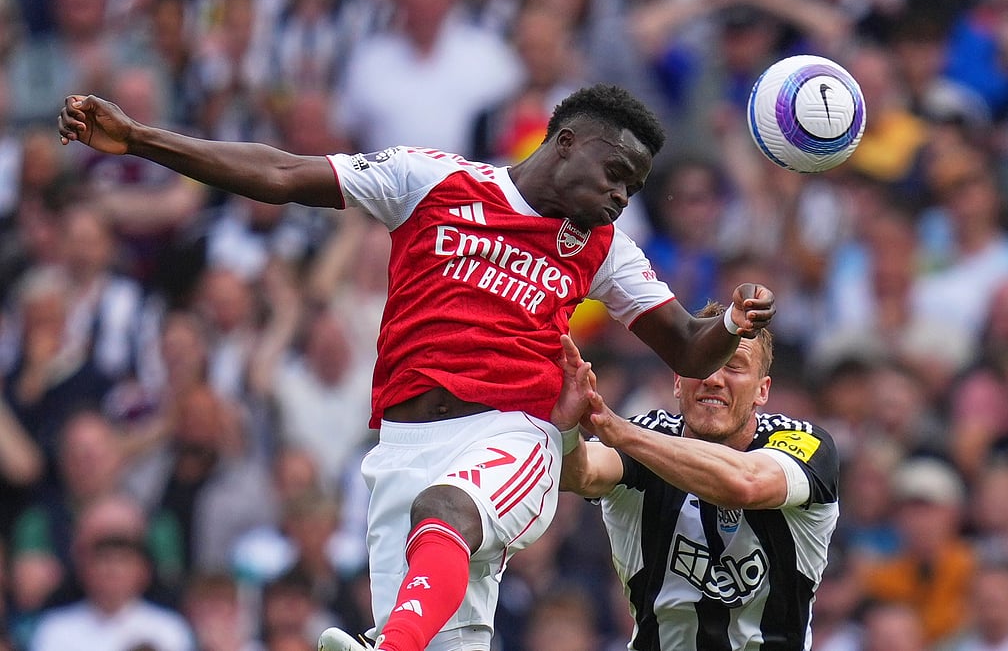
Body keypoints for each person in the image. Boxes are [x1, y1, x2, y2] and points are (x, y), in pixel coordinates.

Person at [58, 84, 776, 651]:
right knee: (440, 613)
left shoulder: (603, 248)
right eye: (616, 174)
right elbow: (279, 173)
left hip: (514, 435)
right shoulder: (430, 179)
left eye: (633, 188)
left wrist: (731, 325)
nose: (621, 198)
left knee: (446, 512)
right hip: (402, 450)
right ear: (565, 142)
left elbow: (687, 345)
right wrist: (141, 138)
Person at [551, 304, 838, 651]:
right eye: (702, 363)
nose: (713, 378)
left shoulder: (806, 443)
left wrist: (621, 432)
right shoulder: (643, 437)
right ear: (677, 380)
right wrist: (564, 427)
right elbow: (579, 473)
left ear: (762, 391)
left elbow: (746, 484)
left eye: (734, 366)